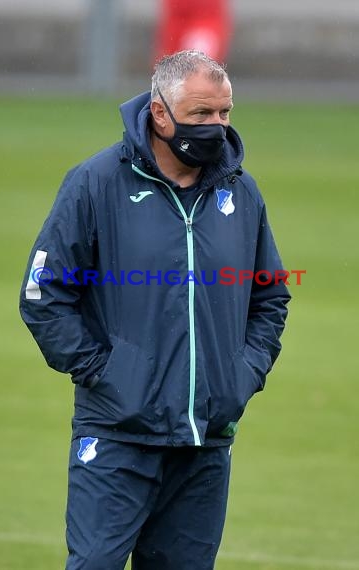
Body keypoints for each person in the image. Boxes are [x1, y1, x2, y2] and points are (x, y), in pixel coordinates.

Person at [20, 50, 290, 570]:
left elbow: (269, 295)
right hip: (117, 436)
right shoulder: (96, 183)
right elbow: (43, 292)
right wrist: (105, 371)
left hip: (205, 443)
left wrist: (242, 373)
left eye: (225, 113)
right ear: (160, 113)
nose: (216, 127)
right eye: (200, 115)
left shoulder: (241, 193)